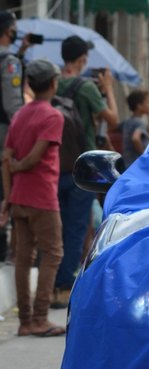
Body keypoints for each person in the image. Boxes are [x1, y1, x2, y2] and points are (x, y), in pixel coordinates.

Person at [51, 35, 119, 309]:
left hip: (56, 165)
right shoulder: (86, 88)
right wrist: (109, 89)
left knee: (60, 227)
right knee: (78, 228)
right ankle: (64, 286)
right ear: (82, 60)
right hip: (83, 168)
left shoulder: (54, 83)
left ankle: (56, 281)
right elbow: (113, 119)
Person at [0, 59, 65, 336]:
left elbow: (6, 158)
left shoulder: (19, 115)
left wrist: (7, 195)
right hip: (41, 195)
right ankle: (40, 317)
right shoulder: (53, 116)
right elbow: (34, 157)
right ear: (53, 83)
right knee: (53, 253)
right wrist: (20, 165)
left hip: (19, 196)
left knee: (23, 257)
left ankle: (25, 321)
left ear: (29, 85)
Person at [0, 10, 33, 263]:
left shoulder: (12, 59)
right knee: (4, 192)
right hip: (3, 135)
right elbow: (13, 107)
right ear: (9, 31)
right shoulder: (9, 62)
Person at [121, 89, 149, 167]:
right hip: (136, 165)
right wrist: (144, 156)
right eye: (148, 102)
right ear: (139, 106)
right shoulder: (140, 123)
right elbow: (135, 138)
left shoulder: (128, 122)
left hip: (126, 164)